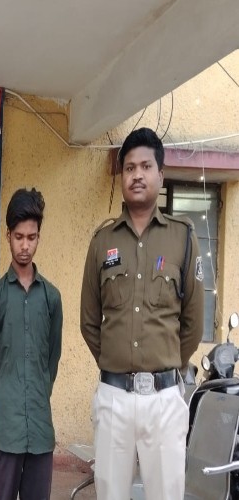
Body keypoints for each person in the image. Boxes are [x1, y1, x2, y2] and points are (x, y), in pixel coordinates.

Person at [80, 127, 204, 500]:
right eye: (130, 167)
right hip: (114, 397)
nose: (137, 175)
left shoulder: (183, 237)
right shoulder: (102, 241)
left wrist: (165, 365)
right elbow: (89, 321)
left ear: (160, 174)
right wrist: (117, 362)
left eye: (146, 166)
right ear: (121, 176)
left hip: (164, 399)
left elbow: (193, 322)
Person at [0, 188, 63, 500]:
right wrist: (4, 400)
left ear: (39, 237)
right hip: (5, 432)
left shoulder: (52, 298)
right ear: (8, 235)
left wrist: (37, 393)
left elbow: (51, 360)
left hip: (40, 430)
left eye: (32, 237)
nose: (25, 246)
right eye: (19, 237)